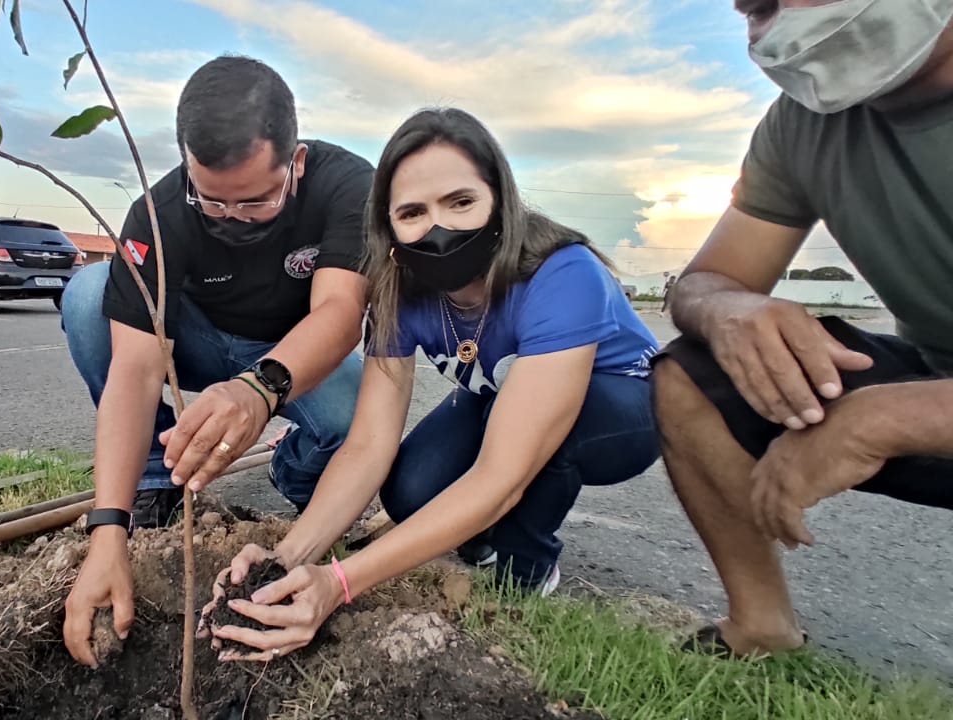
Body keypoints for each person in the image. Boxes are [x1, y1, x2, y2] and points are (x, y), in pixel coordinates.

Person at [199, 108, 661, 660]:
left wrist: (340, 583)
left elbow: (500, 475)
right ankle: (479, 534)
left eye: (461, 202)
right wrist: (294, 554)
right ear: (388, 226)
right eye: (413, 212)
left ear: (501, 202)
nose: (439, 228)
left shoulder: (563, 273)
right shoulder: (398, 292)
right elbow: (369, 444)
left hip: (619, 404)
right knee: (409, 491)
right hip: (498, 396)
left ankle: (528, 564)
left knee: (523, 454)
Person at [654, 0, 953, 658]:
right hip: (936, 377)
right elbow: (706, 281)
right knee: (691, 372)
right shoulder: (800, 127)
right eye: (760, 7)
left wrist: (888, 418)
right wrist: (728, 311)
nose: (787, 18)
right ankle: (760, 627)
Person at [59, 55, 374, 667]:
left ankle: (299, 476)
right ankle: (156, 479)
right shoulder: (159, 213)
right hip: (196, 343)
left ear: (296, 163)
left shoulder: (345, 186)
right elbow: (134, 369)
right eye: (212, 202)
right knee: (88, 296)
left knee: (351, 415)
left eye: (253, 203)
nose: (230, 219)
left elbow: (339, 310)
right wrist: (107, 530)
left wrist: (260, 389)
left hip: (290, 351)